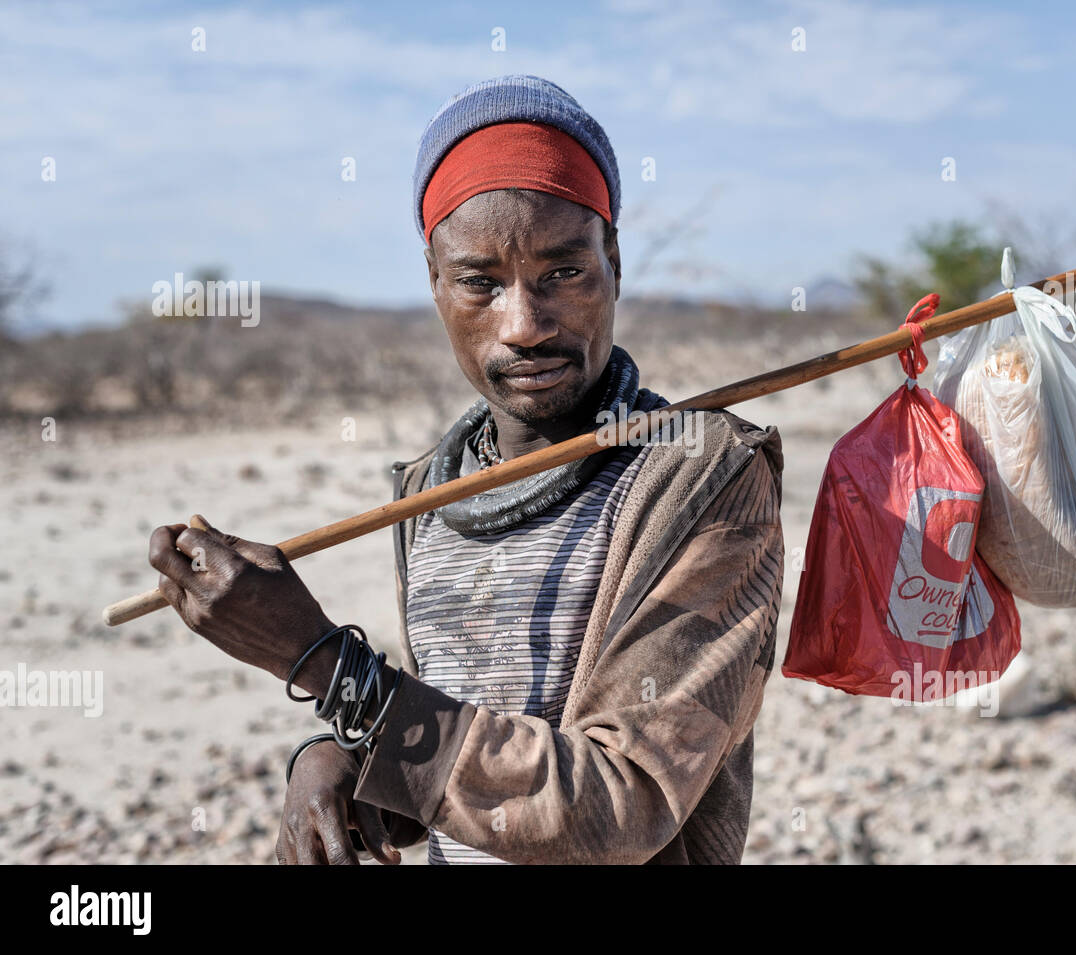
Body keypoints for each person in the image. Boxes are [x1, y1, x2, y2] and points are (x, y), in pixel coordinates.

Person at [150, 74, 785, 865]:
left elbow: (623, 804)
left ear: (613, 262)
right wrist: (344, 764)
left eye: (563, 272)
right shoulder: (426, 492)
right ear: (435, 283)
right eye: (480, 282)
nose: (524, 325)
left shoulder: (703, 476)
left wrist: (323, 662)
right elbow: (468, 749)